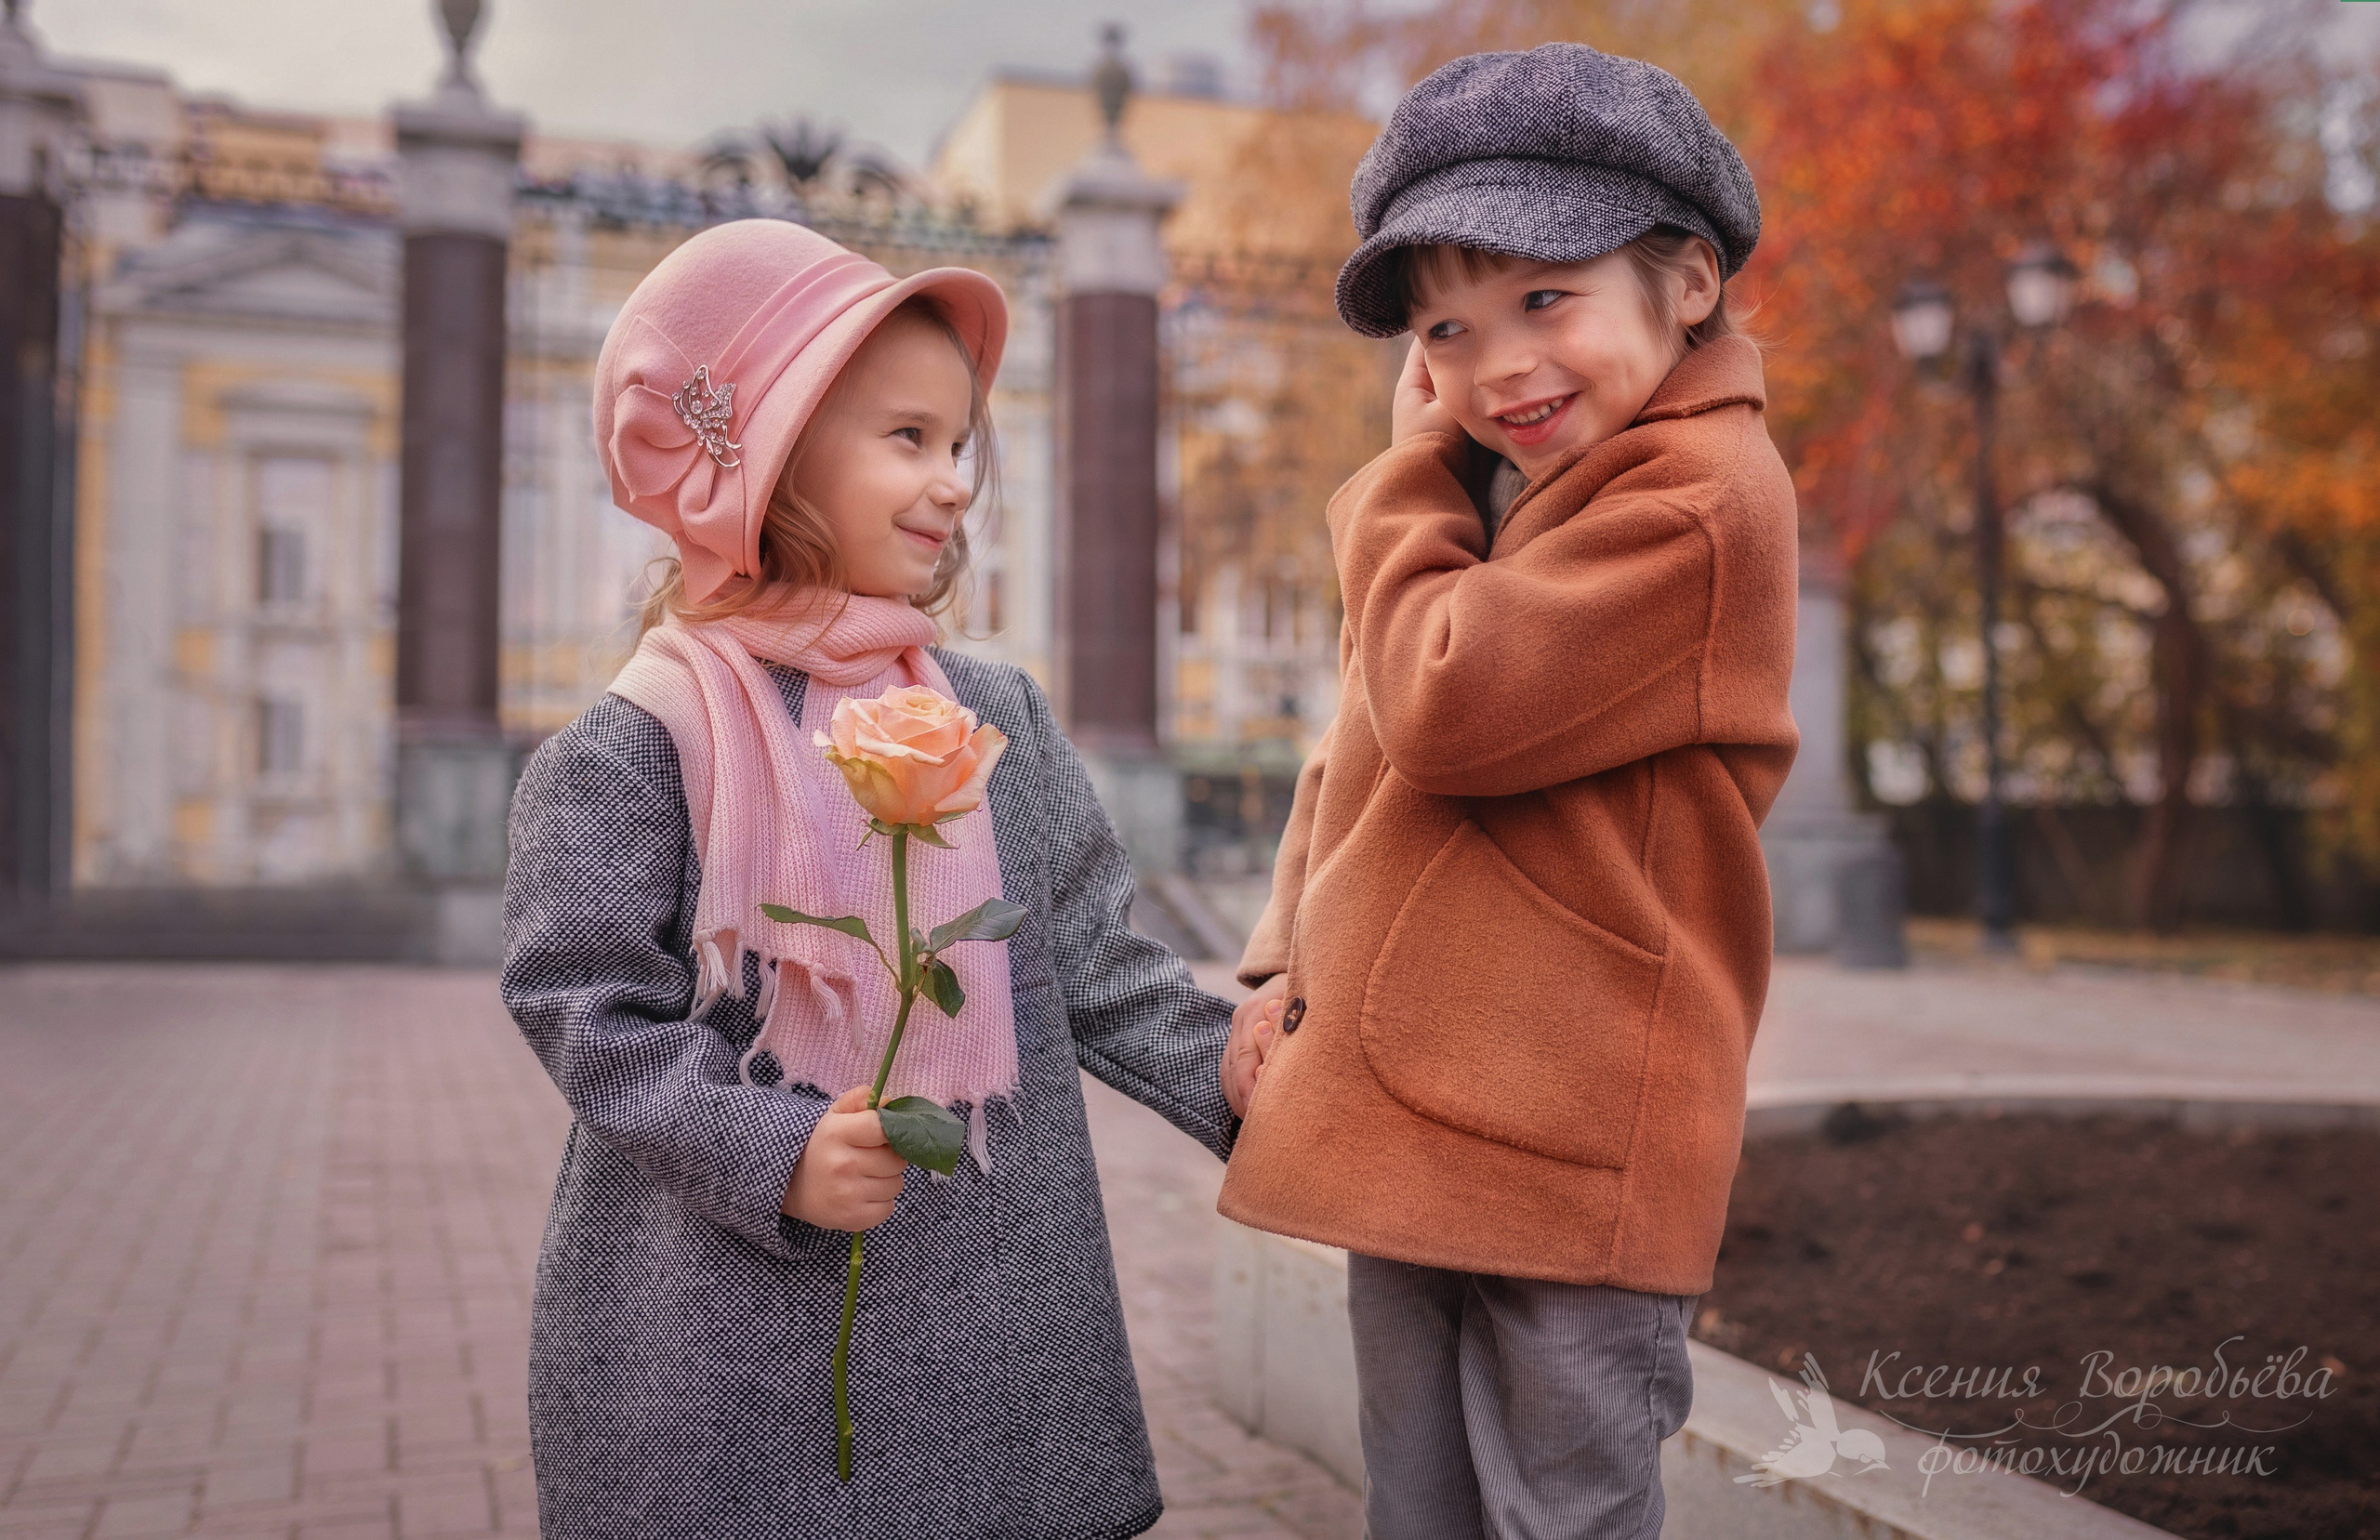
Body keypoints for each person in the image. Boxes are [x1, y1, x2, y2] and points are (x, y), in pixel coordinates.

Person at [499, 219, 1270, 1539]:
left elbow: (1090, 962)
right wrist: (775, 1144)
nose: (955, 481)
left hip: (993, 1333)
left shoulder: (995, 716)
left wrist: (1241, 1071)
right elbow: (586, 1011)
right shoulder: (640, 741)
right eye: (907, 440)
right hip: (726, 1342)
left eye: (961, 443)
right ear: (776, 455)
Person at [1220, 43, 1801, 1540]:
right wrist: (1280, 964)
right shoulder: (1501, 491)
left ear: (1685, 281)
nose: (1497, 370)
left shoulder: (1703, 501)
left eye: (1546, 299)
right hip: (1408, 1097)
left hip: (1572, 1126)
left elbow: (1448, 706)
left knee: (1562, 1509)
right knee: (1416, 1500)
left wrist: (1408, 463)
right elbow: (1357, 735)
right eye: (1447, 333)